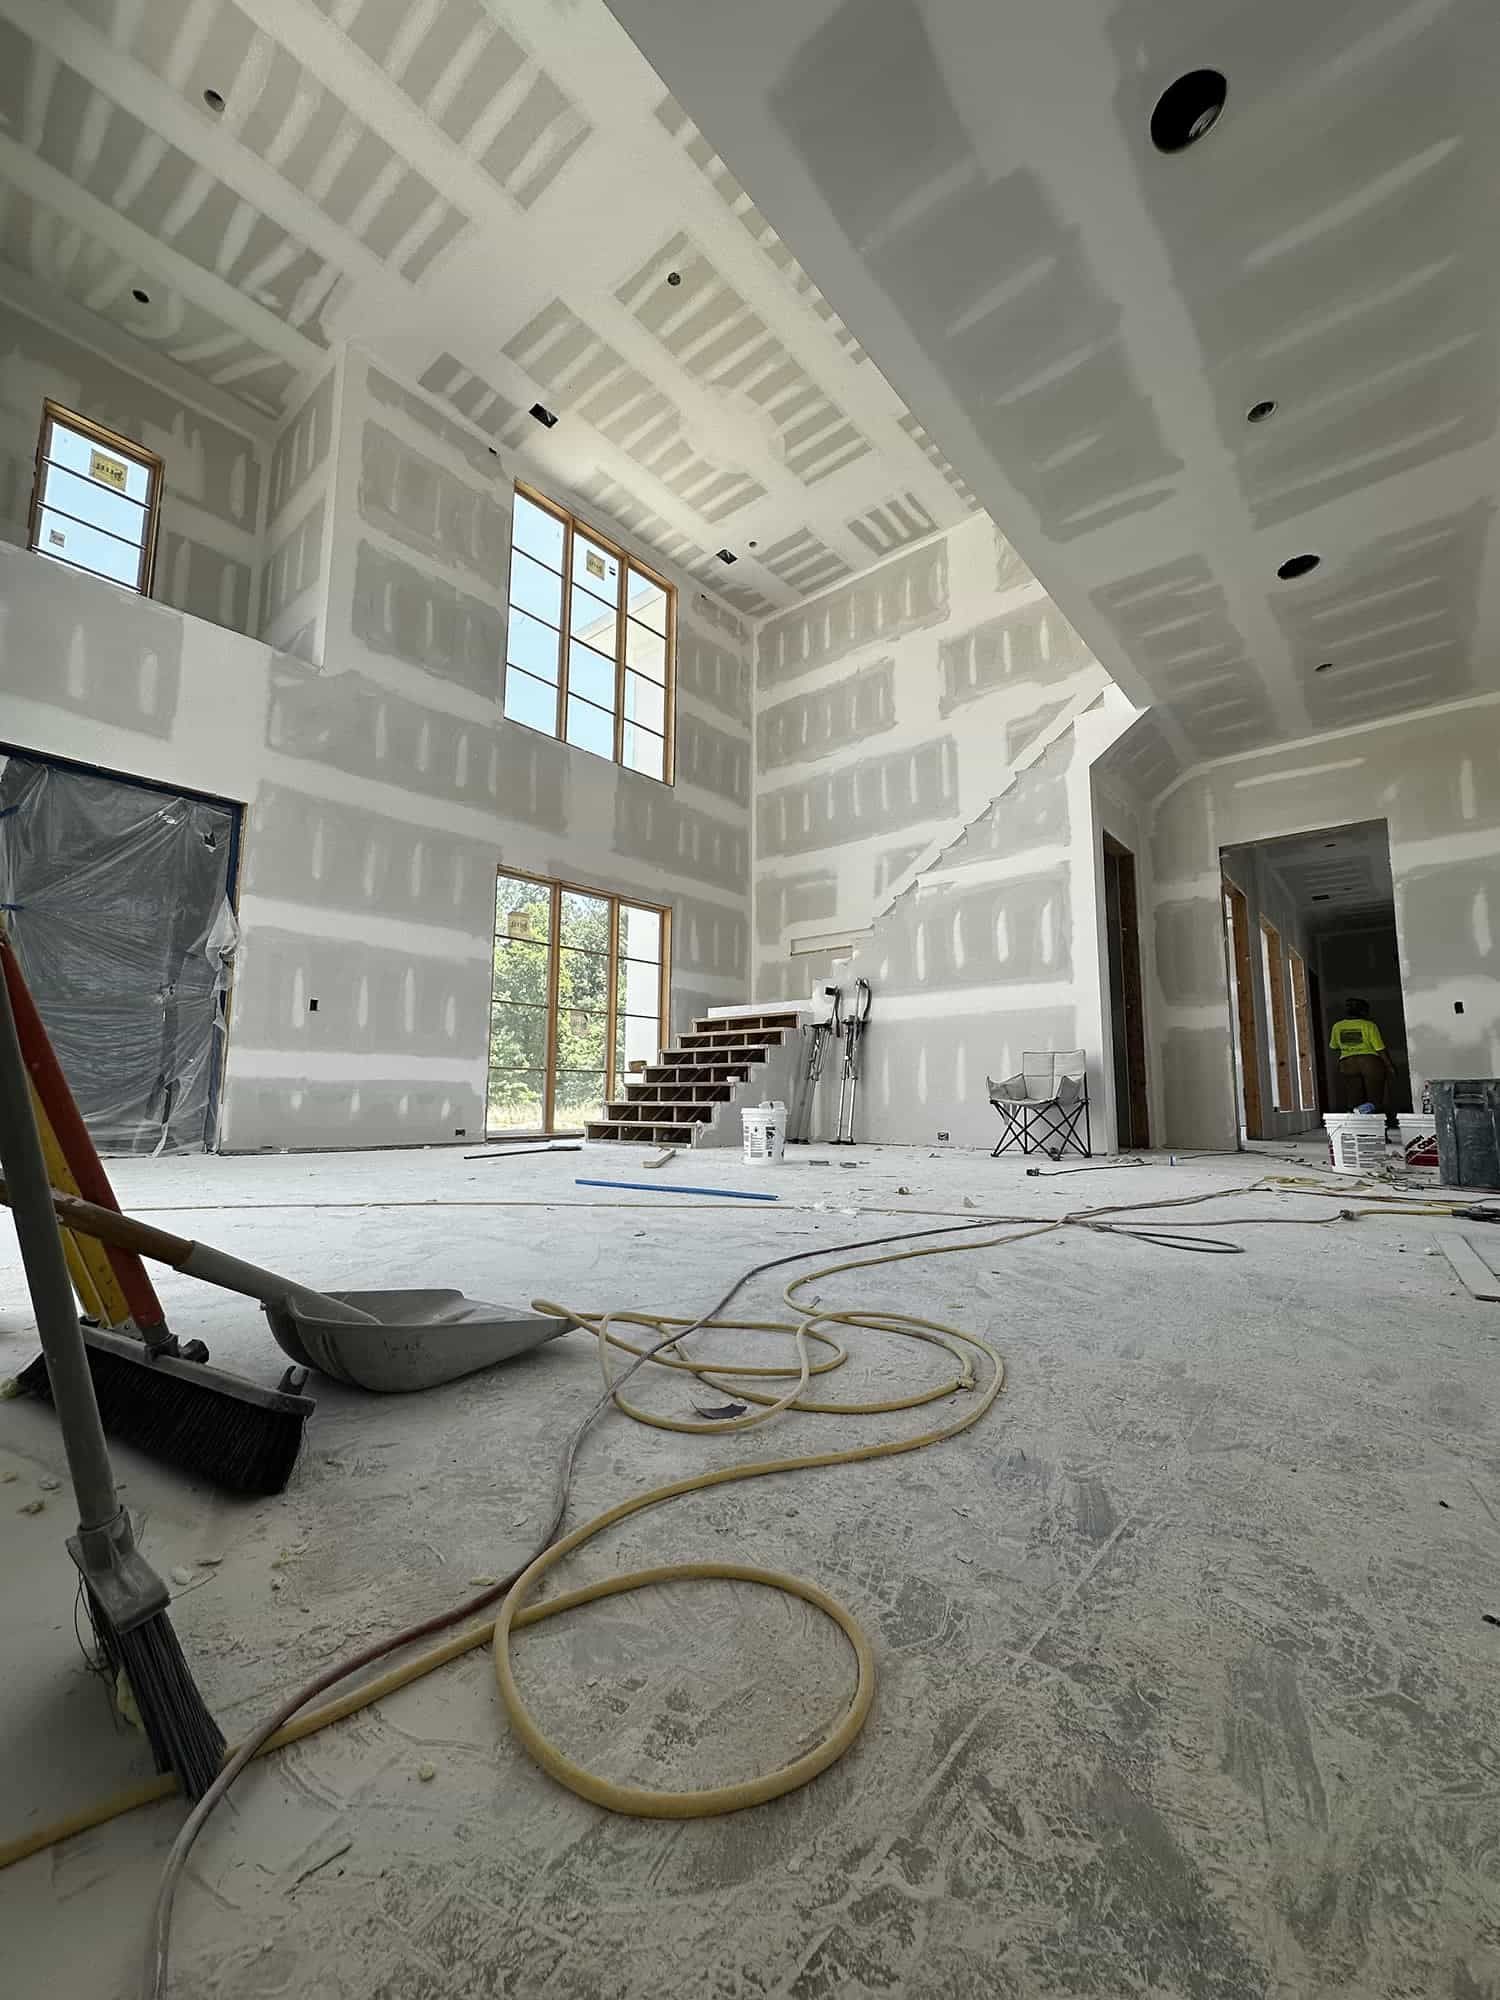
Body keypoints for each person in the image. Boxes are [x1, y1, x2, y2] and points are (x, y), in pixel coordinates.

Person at [1329, 998, 1394, 1117]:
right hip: (1369, 1062)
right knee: (1375, 1099)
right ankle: (1374, 1123)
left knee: (1354, 1099)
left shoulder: (1337, 1026)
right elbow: (1379, 1048)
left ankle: (1356, 1121)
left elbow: (1334, 1046)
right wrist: (1389, 1066)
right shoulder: (1369, 1025)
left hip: (1347, 1064)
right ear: (1363, 1011)